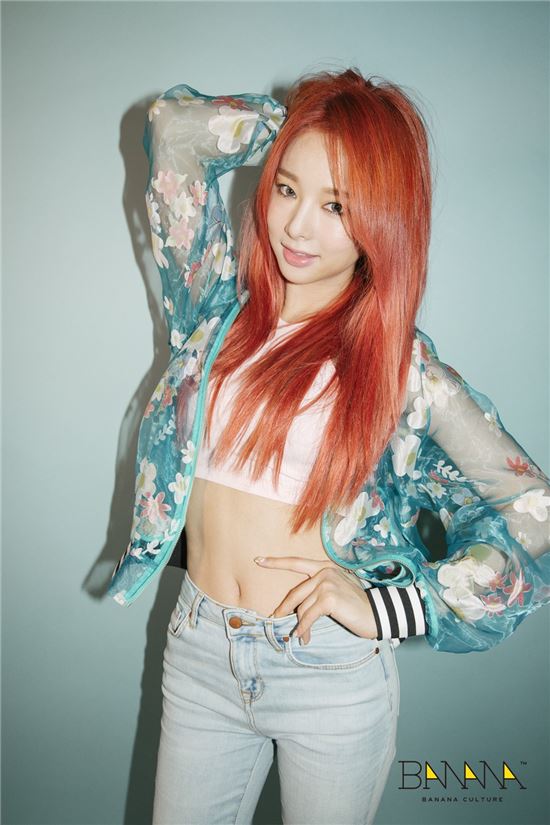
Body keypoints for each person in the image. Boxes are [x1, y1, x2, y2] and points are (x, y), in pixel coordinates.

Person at [108, 68, 550, 824]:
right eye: (287, 188)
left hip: (328, 670)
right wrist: (298, 122)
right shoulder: (214, 311)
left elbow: (533, 511)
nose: (297, 226)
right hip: (201, 645)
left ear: (381, 221)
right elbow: (174, 130)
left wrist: (395, 607)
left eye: (338, 204)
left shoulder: (402, 371)